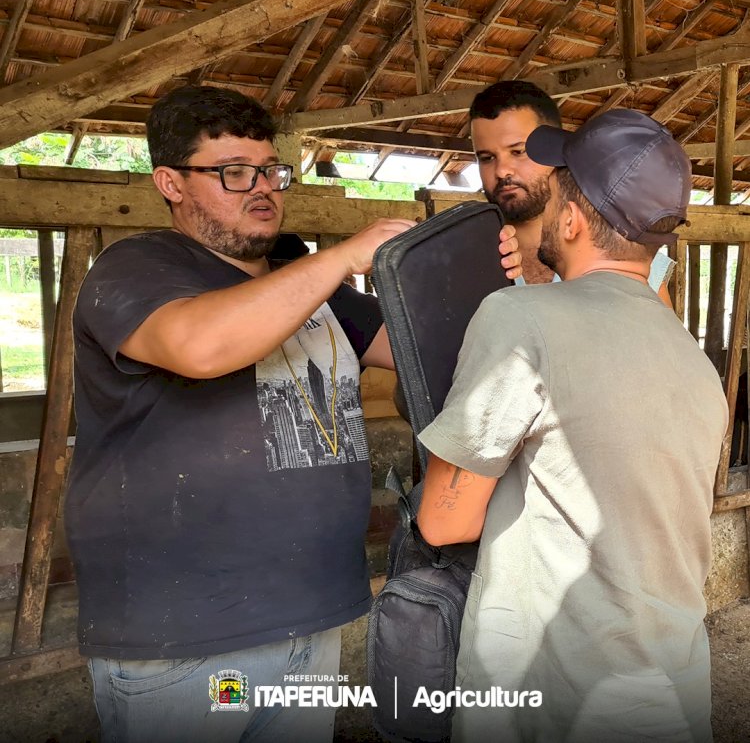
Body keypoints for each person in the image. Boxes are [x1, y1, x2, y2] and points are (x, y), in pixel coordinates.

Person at [64, 85, 521, 743]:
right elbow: (200, 346)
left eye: (271, 172)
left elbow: (442, 348)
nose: (262, 188)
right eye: (232, 173)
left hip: (311, 618)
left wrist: (494, 272)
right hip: (190, 639)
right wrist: (339, 258)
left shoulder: (316, 292)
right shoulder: (136, 268)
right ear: (170, 183)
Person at [416, 109, 727, 742]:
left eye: (557, 182)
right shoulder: (693, 360)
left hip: (556, 693)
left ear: (572, 218)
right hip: (671, 684)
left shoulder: (519, 321)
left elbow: (444, 521)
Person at [470, 80, 675, 305]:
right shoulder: (467, 262)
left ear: (553, 151)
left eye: (518, 151)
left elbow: (663, 339)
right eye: (487, 158)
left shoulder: (629, 260)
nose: (501, 171)